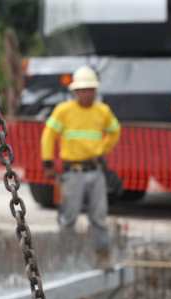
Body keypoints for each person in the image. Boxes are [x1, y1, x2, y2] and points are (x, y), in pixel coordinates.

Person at [40, 65, 121, 270]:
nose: (86, 94)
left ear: (95, 91)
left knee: (99, 217)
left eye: (90, 90)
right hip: (73, 173)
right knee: (68, 218)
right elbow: (48, 135)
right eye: (82, 90)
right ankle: (65, 259)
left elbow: (114, 131)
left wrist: (101, 149)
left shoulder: (102, 112)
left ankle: (103, 258)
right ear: (75, 92)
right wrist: (48, 162)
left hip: (95, 171)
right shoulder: (64, 111)